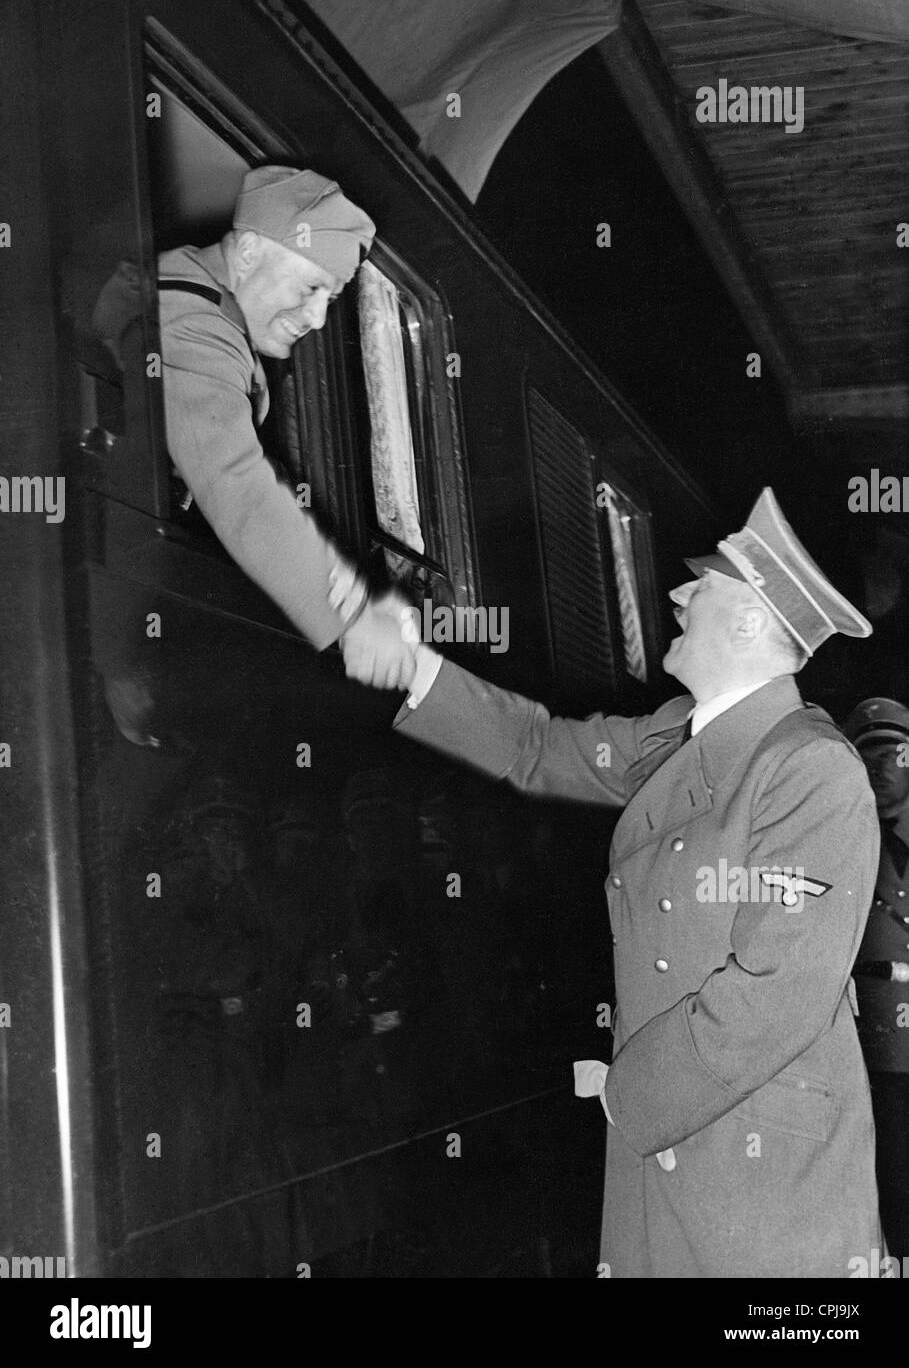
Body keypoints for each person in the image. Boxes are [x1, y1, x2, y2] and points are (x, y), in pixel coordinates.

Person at [330, 487, 883, 1277]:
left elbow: (776, 993)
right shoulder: (674, 736)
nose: (677, 594)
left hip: (755, 1174)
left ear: (750, 620)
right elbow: (536, 746)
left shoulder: (809, 769)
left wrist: (629, 1097)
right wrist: (411, 662)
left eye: (703, 585)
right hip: (671, 1140)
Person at [95, 165, 414, 690]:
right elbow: (236, 486)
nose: (317, 318)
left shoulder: (205, 305)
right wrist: (352, 619)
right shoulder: (193, 322)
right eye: (312, 286)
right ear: (246, 254)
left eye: (330, 300)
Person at [843, 697, 909, 1262]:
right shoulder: (841, 842)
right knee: (887, 1191)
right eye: (867, 756)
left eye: (895, 754)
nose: (881, 768)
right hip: (872, 1054)